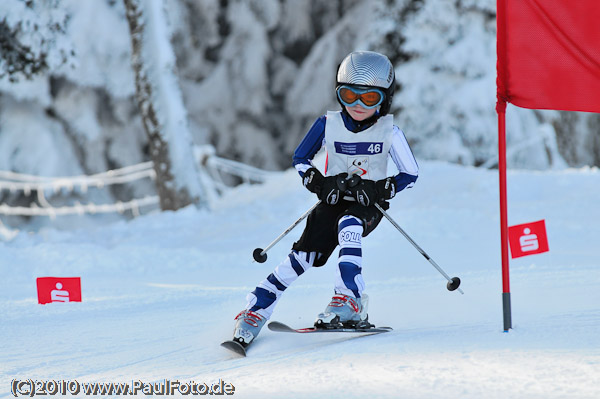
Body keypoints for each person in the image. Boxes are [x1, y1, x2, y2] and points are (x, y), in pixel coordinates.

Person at [230, 50, 419, 347]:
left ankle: (349, 299)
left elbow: (410, 173)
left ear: (385, 99)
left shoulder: (390, 133)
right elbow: (301, 158)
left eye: (369, 98)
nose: (357, 105)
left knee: (349, 225)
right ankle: (256, 308)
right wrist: (318, 181)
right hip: (332, 198)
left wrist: (381, 189)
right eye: (348, 95)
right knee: (302, 257)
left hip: (367, 204)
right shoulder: (327, 125)